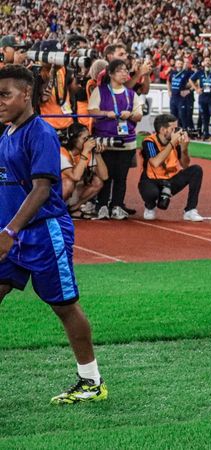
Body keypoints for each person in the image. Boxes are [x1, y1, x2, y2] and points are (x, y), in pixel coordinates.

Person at [0, 65, 107, 404]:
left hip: (44, 233)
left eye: (5, 95)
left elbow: (43, 189)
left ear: (27, 94)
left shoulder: (40, 133)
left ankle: (91, 381)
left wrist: (10, 230)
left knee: (64, 306)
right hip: (12, 236)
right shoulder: (7, 134)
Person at [88, 59, 142, 220]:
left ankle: (117, 205)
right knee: (106, 175)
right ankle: (102, 205)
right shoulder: (100, 91)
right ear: (110, 74)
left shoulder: (131, 94)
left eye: (126, 70)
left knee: (121, 176)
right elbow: (92, 110)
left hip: (127, 143)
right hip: (105, 142)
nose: (125, 74)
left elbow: (139, 115)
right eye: (120, 71)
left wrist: (130, 115)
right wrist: (106, 113)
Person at [137, 114, 204, 222]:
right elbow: (155, 162)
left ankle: (190, 210)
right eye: (173, 129)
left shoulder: (175, 142)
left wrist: (184, 149)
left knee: (196, 170)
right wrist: (172, 143)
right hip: (152, 179)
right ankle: (150, 206)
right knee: (151, 193)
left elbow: (185, 165)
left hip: (170, 179)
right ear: (163, 130)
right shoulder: (149, 142)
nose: (176, 131)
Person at [60, 123, 107, 218]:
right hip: (55, 191)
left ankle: (73, 209)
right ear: (74, 140)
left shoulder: (87, 153)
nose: (88, 142)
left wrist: (98, 154)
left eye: (89, 138)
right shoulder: (61, 152)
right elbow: (75, 177)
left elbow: (104, 177)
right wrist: (85, 151)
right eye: (84, 139)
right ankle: (54, 210)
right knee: (69, 182)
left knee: (98, 182)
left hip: (72, 193)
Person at [168, 58, 194, 131]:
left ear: (182, 65)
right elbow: (168, 81)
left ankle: (184, 131)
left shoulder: (186, 73)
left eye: (181, 64)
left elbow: (195, 82)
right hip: (173, 97)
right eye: (178, 63)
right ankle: (174, 131)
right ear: (175, 64)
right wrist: (169, 91)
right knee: (173, 115)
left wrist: (188, 91)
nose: (179, 65)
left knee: (182, 115)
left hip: (181, 98)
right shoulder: (173, 72)